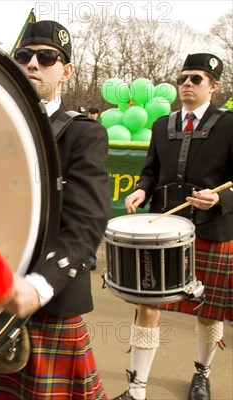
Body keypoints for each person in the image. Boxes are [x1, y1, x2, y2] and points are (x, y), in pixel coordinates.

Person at [0, 20, 110, 400]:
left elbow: (86, 222)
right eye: (24, 56)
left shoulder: (83, 134)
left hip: (48, 298)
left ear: (66, 70)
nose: (33, 64)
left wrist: (36, 287)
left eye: (47, 57)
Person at [115, 53, 232, 400]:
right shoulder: (161, 125)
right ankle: (136, 388)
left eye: (196, 79)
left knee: (209, 312)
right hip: (164, 231)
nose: (187, 84)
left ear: (214, 86)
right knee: (147, 305)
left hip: (212, 229)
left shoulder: (229, 125)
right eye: (183, 77)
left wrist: (221, 201)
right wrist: (140, 189)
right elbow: (151, 171)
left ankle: (202, 375)